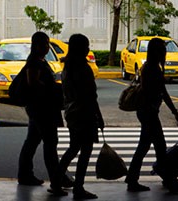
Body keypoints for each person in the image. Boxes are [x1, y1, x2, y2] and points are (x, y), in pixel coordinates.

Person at [125, 38, 178, 193]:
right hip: (149, 113)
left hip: (147, 112)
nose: (164, 52)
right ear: (156, 51)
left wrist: (174, 113)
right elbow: (162, 92)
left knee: (146, 147)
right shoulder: (152, 69)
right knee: (159, 148)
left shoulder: (151, 67)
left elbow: (162, 92)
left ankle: (133, 179)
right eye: (162, 49)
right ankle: (169, 181)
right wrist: (175, 114)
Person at [17, 31, 67, 196]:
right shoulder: (34, 63)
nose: (47, 47)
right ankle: (57, 180)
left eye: (48, 43)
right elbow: (33, 83)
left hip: (38, 108)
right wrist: (52, 90)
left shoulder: (39, 60)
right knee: (50, 144)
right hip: (42, 108)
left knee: (32, 141)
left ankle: (25, 175)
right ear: (36, 45)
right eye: (44, 44)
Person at [58, 34, 103, 199]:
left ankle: (57, 181)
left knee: (73, 148)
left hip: (72, 113)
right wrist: (98, 116)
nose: (88, 49)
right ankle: (78, 187)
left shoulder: (67, 67)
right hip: (84, 113)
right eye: (86, 45)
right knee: (85, 151)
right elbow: (90, 95)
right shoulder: (83, 68)